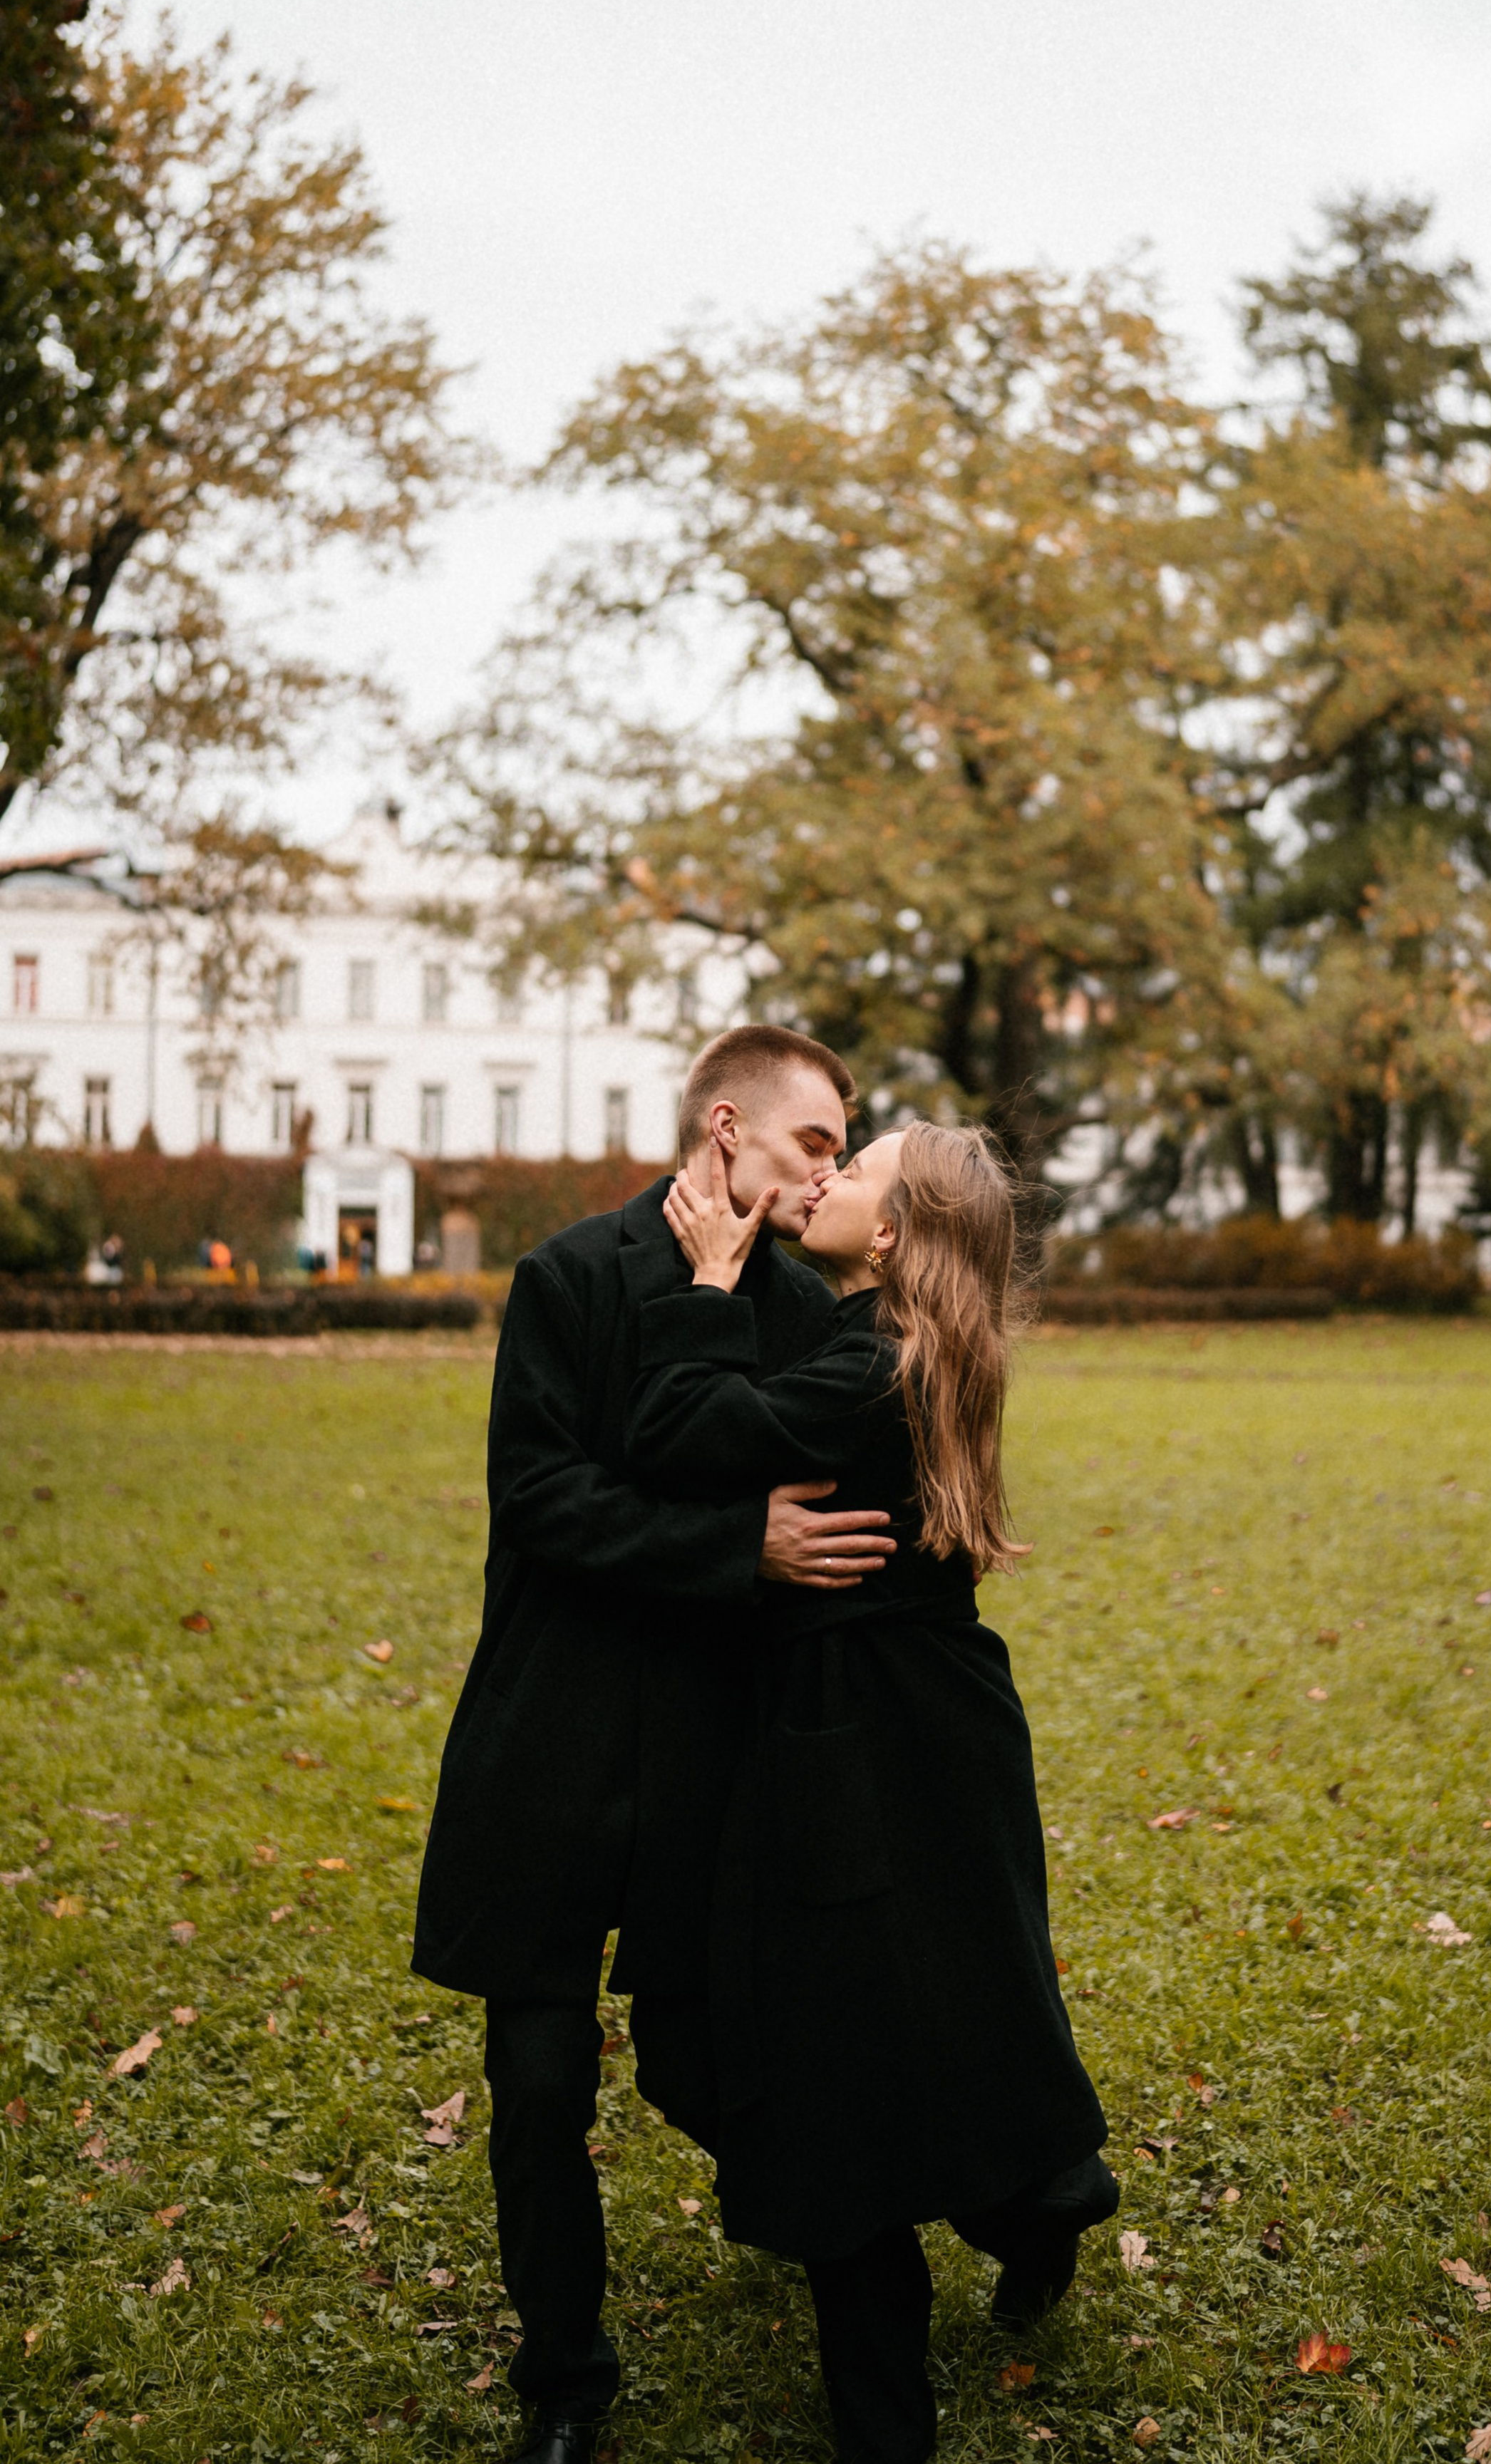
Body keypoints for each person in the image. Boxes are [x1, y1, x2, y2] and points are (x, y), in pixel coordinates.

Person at [412, 1026, 898, 2464]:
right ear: (727, 1129)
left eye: (843, 1152)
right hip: (548, 1739)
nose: (828, 1174)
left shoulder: (806, 1312)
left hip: (715, 1753)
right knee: (537, 2084)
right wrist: (735, 1544)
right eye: (814, 1143)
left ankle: (914, 2236)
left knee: (723, 2060)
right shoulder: (566, 1276)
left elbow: (845, 1497)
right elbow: (540, 1500)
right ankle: (565, 2385)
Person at [619, 1123, 1116, 2464]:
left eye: (857, 1171)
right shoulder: (896, 1345)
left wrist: (707, 1284)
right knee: (912, 2017)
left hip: (869, 1734)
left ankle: (900, 2401)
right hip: (907, 1721)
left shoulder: (872, 1367)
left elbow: (677, 1431)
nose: (826, 1178)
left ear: (890, 1239)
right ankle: (1041, 2198)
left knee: (842, 2065)